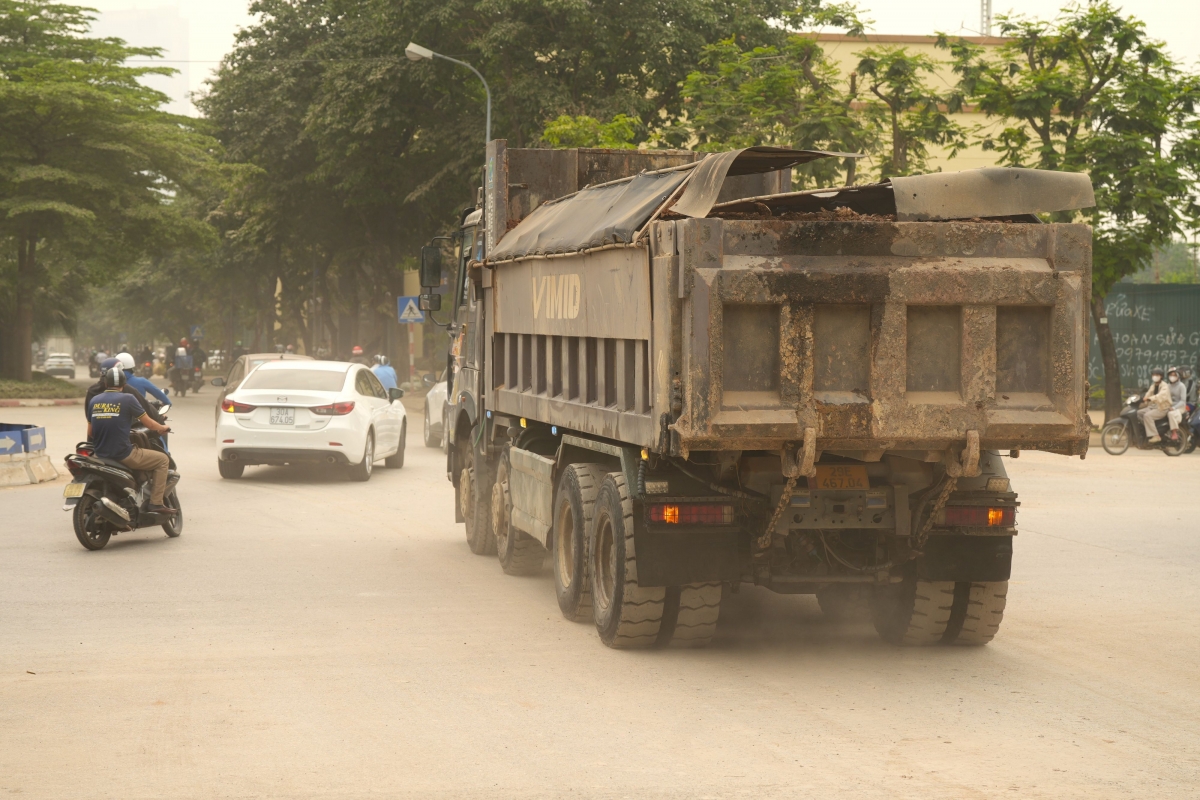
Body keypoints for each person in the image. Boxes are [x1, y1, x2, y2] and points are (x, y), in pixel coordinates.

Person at [87, 366, 175, 516]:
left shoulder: (95, 400)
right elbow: (149, 423)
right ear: (124, 384)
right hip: (123, 454)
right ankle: (155, 503)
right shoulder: (128, 398)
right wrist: (162, 427)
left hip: (100, 454)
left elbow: (90, 432)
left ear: (106, 383)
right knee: (162, 460)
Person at [1137, 368, 1172, 444]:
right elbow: (1147, 394)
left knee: (1147, 416)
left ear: (1161, 376)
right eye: (1153, 375)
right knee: (1138, 413)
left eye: (1157, 375)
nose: (1154, 376)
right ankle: (1149, 429)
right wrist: (1140, 399)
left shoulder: (1164, 386)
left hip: (1162, 408)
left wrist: (1149, 398)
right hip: (1153, 407)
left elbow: (1160, 396)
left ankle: (1156, 435)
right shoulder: (1153, 386)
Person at [1165, 366, 1188, 440]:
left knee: (1171, 414)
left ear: (1178, 376)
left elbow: (1183, 400)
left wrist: (1174, 408)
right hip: (1170, 405)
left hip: (1180, 407)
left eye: (1174, 375)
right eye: (1171, 375)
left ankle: (1174, 432)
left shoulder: (1182, 386)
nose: (1172, 377)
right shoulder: (1168, 386)